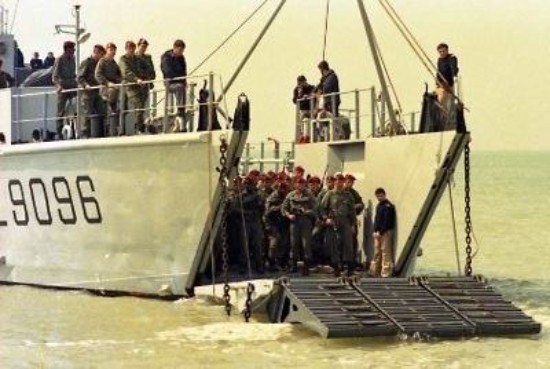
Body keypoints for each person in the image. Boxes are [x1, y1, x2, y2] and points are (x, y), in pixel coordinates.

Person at [282, 177, 318, 275]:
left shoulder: (309, 195)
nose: (300, 185)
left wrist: (306, 212)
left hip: (306, 222)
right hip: (294, 222)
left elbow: (316, 209)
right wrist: (289, 215)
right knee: (294, 244)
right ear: (295, 185)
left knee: (306, 244)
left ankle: (306, 267)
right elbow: (284, 208)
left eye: (302, 184)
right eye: (298, 183)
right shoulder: (290, 195)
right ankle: (293, 265)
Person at [321, 173, 355, 276]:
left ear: (343, 182)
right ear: (335, 182)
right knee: (334, 245)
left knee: (348, 244)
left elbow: (352, 210)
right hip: (333, 221)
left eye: (341, 181)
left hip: (345, 221)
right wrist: (326, 218)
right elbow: (321, 208)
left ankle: (349, 267)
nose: (339, 183)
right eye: (337, 181)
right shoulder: (330, 194)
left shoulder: (348, 195)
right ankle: (336, 267)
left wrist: (353, 224)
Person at [119, 40, 149, 133]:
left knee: (141, 106)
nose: (131, 50)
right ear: (126, 49)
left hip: (141, 86)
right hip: (130, 87)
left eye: (132, 48)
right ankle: (138, 127)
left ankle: (140, 126)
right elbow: (126, 72)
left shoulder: (138, 59)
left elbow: (147, 68)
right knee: (138, 105)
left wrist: (146, 78)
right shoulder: (123, 59)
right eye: (129, 48)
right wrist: (136, 79)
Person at [78, 44, 106, 138]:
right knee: (87, 113)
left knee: (101, 111)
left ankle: (99, 132)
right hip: (87, 93)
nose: (102, 57)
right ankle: (85, 134)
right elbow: (80, 77)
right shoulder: (87, 62)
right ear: (96, 53)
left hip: (96, 92)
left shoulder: (99, 64)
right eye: (101, 54)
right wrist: (86, 85)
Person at [95, 42, 123, 136]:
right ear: (107, 50)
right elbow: (98, 75)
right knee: (108, 109)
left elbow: (119, 75)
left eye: (114, 50)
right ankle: (108, 129)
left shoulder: (113, 63)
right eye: (111, 50)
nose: (113, 52)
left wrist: (119, 82)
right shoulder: (102, 61)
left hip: (114, 89)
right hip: (105, 89)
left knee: (119, 104)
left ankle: (116, 128)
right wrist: (107, 83)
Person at [369, 188, 396, 278]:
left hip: (386, 232)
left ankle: (386, 273)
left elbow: (387, 221)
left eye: (381, 195)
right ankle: (374, 271)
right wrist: (375, 231)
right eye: (378, 196)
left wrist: (380, 232)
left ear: (384, 195)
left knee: (385, 252)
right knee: (377, 252)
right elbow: (377, 220)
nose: (379, 197)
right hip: (378, 232)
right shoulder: (379, 206)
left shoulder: (388, 206)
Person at [52, 41, 77, 138]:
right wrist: (58, 86)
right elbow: (55, 76)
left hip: (72, 86)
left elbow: (73, 74)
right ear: (67, 49)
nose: (74, 50)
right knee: (60, 111)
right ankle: (59, 132)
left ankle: (75, 129)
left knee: (76, 107)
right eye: (72, 49)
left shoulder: (73, 59)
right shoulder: (60, 59)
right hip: (63, 88)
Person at [161, 39, 187, 131]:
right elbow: (168, 72)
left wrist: (183, 80)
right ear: (175, 48)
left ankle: (181, 110)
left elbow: (184, 72)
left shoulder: (181, 58)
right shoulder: (166, 57)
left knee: (182, 87)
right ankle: (180, 111)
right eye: (180, 51)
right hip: (170, 84)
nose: (181, 53)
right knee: (180, 87)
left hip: (179, 82)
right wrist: (179, 77)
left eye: (182, 51)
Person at [264, 181, 290, 271]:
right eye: (281, 188)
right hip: (273, 224)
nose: (283, 190)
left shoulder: (287, 196)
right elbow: (268, 211)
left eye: (284, 188)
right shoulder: (271, 198)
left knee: (285, 244)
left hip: (283, 224)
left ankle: (282, 263)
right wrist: (281, 207)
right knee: (273, 245)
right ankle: (271, 264)